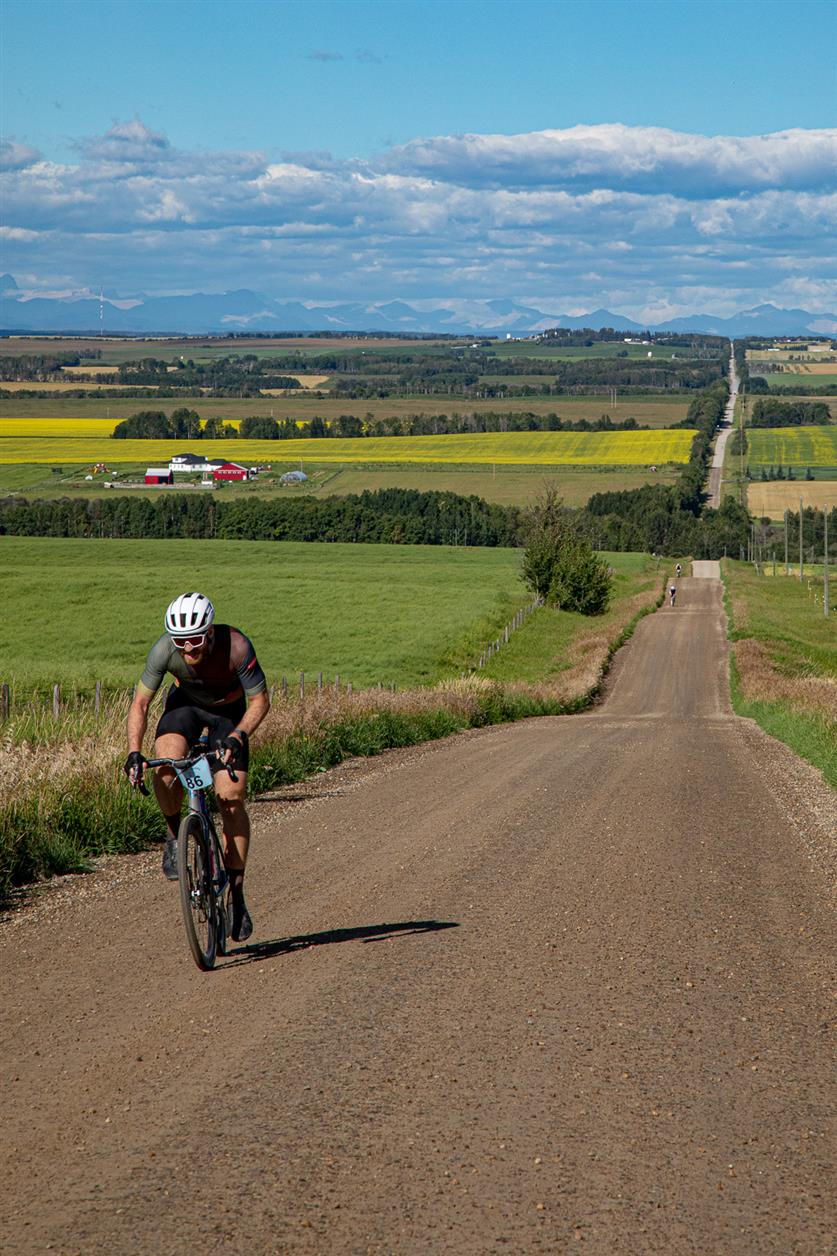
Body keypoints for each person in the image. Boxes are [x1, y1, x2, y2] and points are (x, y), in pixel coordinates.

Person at [124, 592, 270, 942]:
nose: (187, 651)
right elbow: (141, 704)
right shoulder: (165, 650)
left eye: (194, 641)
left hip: (229, 715)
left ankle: (236, 894)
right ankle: (175, 834)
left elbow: (260, 700)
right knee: (166, 766)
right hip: (185, 707)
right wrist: (133, 752)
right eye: (180, 643)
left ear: (209, 633)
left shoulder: (236, 646)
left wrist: (237, 737)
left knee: (231, 798)